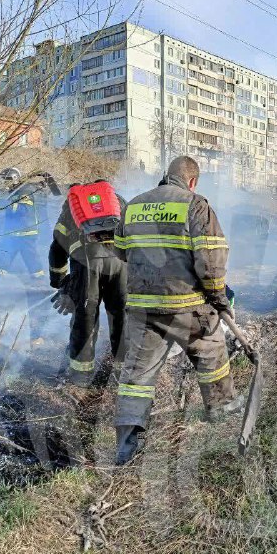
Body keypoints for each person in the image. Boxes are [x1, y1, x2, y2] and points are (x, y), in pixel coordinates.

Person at [112, 156, 237, 465]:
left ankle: (127, 445)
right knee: (212, 355)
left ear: (166, 176)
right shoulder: (196, 205)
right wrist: (219, 301)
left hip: (143, 309)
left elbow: (120, 251)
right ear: (192, 181)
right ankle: (221, 413)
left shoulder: (133, 206)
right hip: (189, 308)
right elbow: (210, 263)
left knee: (137, 376)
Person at [48, 180, 128, 385]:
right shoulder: (118, 202)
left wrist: (59, 282)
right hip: (120, 264)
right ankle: (124, 372)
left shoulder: (71, 208)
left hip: (87, 265)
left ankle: (81, 376)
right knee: (121, 316)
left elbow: (57, 247)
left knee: (85, 317)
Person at [0, 167, 49, 346]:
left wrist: (10, 203)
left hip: (25, 232)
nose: (5, 183)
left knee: (31, 259)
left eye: (7, 180)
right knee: (3, 257)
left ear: (14, 179)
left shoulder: (23, 191)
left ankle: (39, 281)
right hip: (14, 234)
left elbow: (23, 211)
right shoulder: (14, 191)